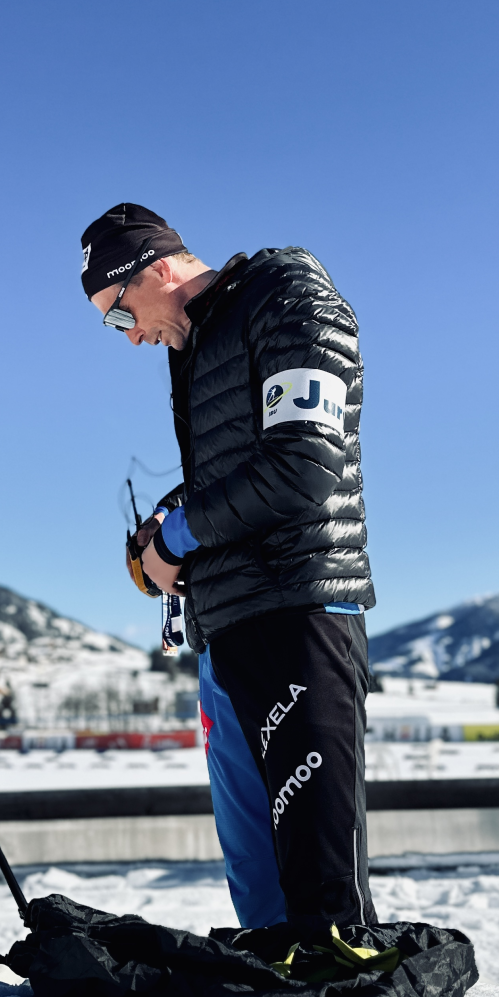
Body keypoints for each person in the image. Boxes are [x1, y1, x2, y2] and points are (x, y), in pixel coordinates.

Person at [81, 202, 377, 937]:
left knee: (322, 908)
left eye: (119, 315)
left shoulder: (286, 294)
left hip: (298, 613)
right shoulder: (197, 344)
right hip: (228, 628)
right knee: (258, 888)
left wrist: (177, 538)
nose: (129, 338)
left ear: (156, 269)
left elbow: (303, 466)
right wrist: (169, 523)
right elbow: (239, 471)